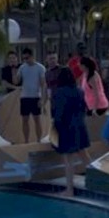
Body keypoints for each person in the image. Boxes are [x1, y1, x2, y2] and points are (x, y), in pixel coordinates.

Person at [51, 66, 91, 197]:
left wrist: (54, 128)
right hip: (80, 126)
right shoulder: (79, 91)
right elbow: (84, 108)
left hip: (66, 128)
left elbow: (58, 113)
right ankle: (99, 182)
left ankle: (70, 189)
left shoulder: (59, 92)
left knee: (68, 160)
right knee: (85, 157)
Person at [16, 48, 46, 143]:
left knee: (37, 119)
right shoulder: (22, 67)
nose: (26, 60)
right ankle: (26, 140)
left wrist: (42, 99)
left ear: (32, 56)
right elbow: (16, 81)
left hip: (35, 96)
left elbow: (43, 84)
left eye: (27, 58)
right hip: (24, 97)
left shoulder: (40, 68)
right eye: (24, 58)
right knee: (25, 120)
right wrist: (14, 70)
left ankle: (38, 140)